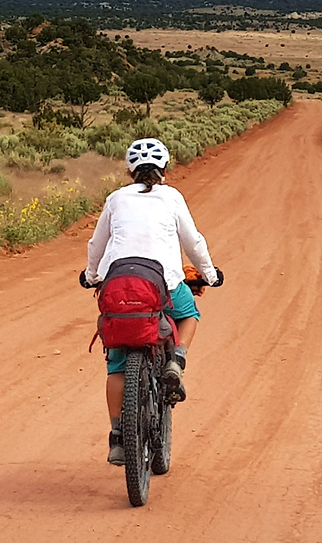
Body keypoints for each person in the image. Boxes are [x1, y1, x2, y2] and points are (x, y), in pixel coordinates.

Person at [81, 137, 220, 465]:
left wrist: (90, 275)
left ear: (129, 170)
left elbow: (97, 243)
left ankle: (118, 436)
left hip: (118, 285)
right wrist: (209, 274)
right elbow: (193, 240)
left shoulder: (115, 199)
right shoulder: (172, 197)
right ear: (165, 168)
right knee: (189, 315)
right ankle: (177, 360)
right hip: (165, 284)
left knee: (116, 362)